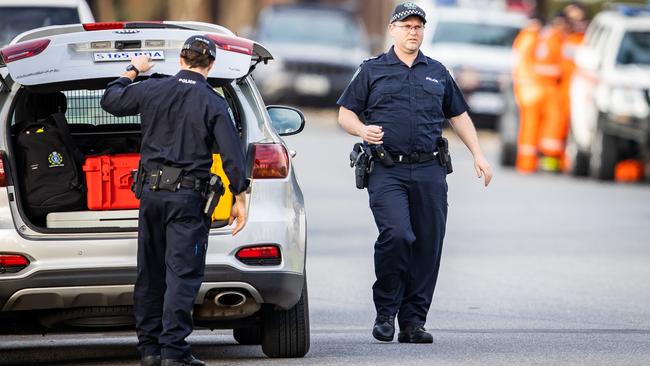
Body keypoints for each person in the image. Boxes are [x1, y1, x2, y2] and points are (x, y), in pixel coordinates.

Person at [337, 2, 492, 343]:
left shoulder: (437, 71)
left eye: (418, 26)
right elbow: (346, 114)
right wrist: (362, 131)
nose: (413, 32)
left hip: (429, 170)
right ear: (392, 30)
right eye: (406, 26)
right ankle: (385, 312)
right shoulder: (372, 70)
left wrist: (478, 154)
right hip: (386, 169)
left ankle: (413, 323)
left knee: (427, 245)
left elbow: (459, 115)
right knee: (397, 235)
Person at [101, 35, 249, 366]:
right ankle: (174, 352)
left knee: (150, 274)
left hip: (151, 197)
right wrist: (240, 196)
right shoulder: (213, 102)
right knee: (181, 275)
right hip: (187, 201)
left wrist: (132, 70)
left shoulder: (152, 88)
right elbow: (232, 157)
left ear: (181, 60)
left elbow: (111, 100)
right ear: (210, 65)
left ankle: (150, 350)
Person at [513, 14, 545, 173]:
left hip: (526, 89)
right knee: (530, 126)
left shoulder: (523, 38)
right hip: (531, 89)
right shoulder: (531, 38)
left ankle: (526, 162)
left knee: (527, 126)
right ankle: (527, 163)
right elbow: (532, 66)